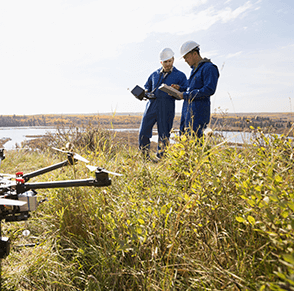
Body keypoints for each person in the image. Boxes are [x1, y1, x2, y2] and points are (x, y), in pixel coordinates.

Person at [139, 48, 187, 159]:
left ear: (173, 60)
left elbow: (185, 90)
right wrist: (145, 92)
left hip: (167, 107)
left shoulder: (180, 75)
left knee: (164, 135)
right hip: (151, 106)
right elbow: (147, 86)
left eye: (170, 61)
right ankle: (144, 156)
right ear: (161, 62)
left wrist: (179, 88)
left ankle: (161, 158)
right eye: (165, 62)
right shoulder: (154, 74)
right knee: (143, 131)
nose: (168, 64)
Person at [177, 41, 219, 138]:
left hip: (198, 115)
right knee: (186, 144)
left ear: (195, 54)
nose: (185, 60)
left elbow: (209, 89)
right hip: (187, 114)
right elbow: (191, 88)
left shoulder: (209, 68)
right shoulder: (194, 70)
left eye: (186, 57)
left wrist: (186, 95)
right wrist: (180, 88)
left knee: (197, 144)